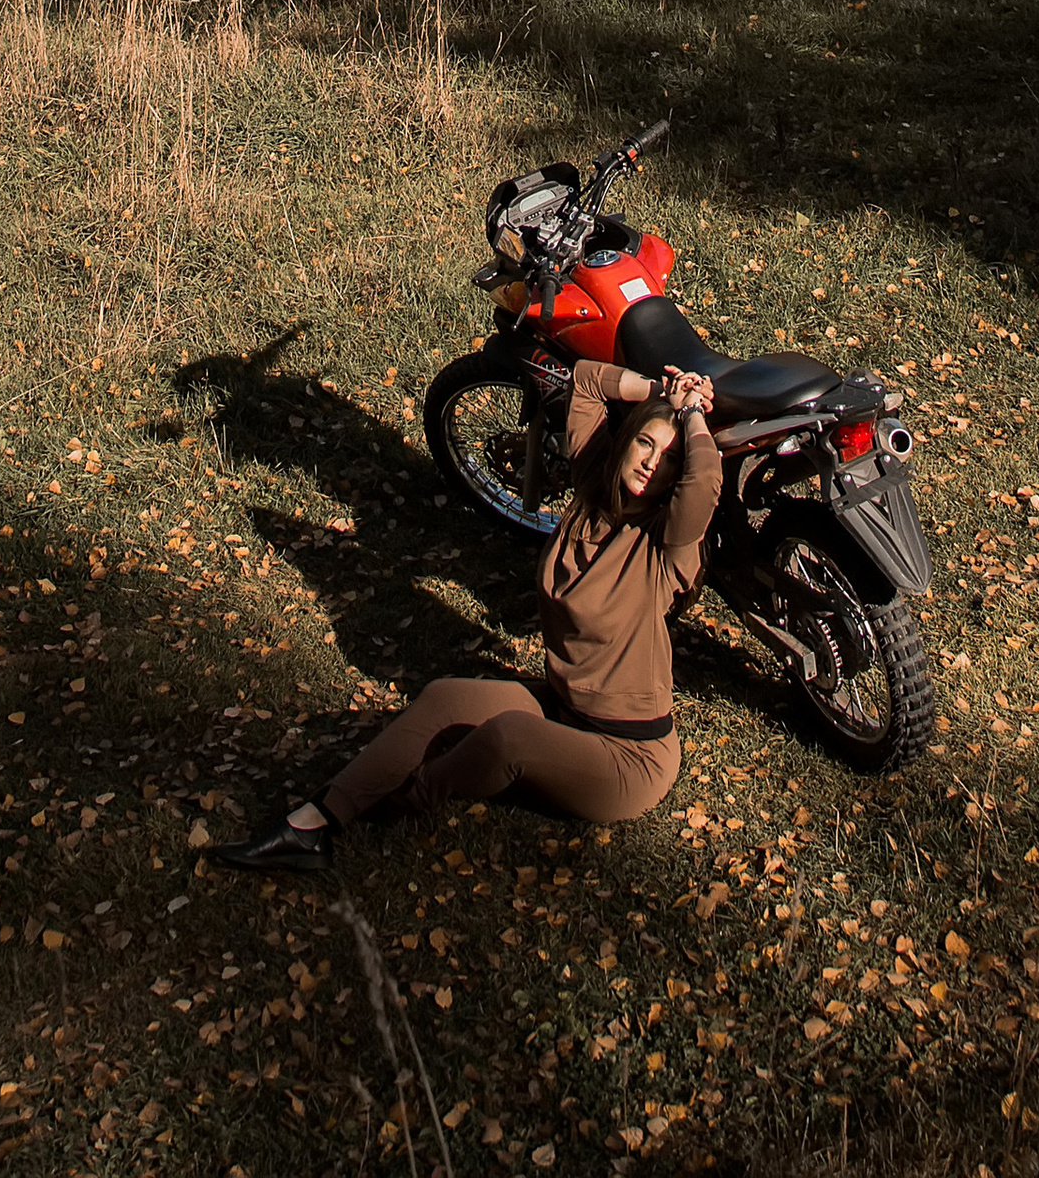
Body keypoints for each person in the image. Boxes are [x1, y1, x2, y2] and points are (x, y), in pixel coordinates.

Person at [217, 362, 719, 870]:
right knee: (443, 699)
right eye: (646, 444)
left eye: (670, 459)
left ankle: (411, 798)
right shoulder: (594, 490)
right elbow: (587, 381)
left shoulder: (667, 546)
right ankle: (316, 822)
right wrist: (663, 391)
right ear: (627, 439)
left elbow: (705, 484)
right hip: (565, 707)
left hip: (627, 756)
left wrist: (694, 412)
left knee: (508, 739)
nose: (652, 464)